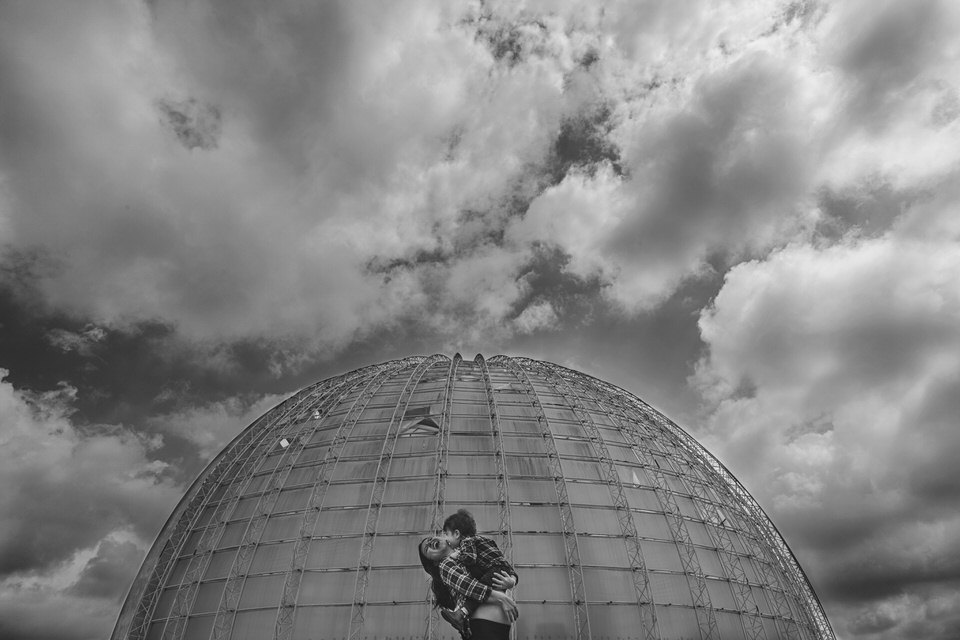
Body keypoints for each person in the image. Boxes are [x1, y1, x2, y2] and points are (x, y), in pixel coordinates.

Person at [419, 511, 519, 640]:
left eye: (430, 539)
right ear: (434, 562)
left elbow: (501, 564)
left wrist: (512, 580)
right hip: (482, 628)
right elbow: (468, 586)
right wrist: (501, 597)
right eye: (427, 548)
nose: (430, 542)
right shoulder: (445, 565)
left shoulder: (472, 549)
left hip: (499, 629)